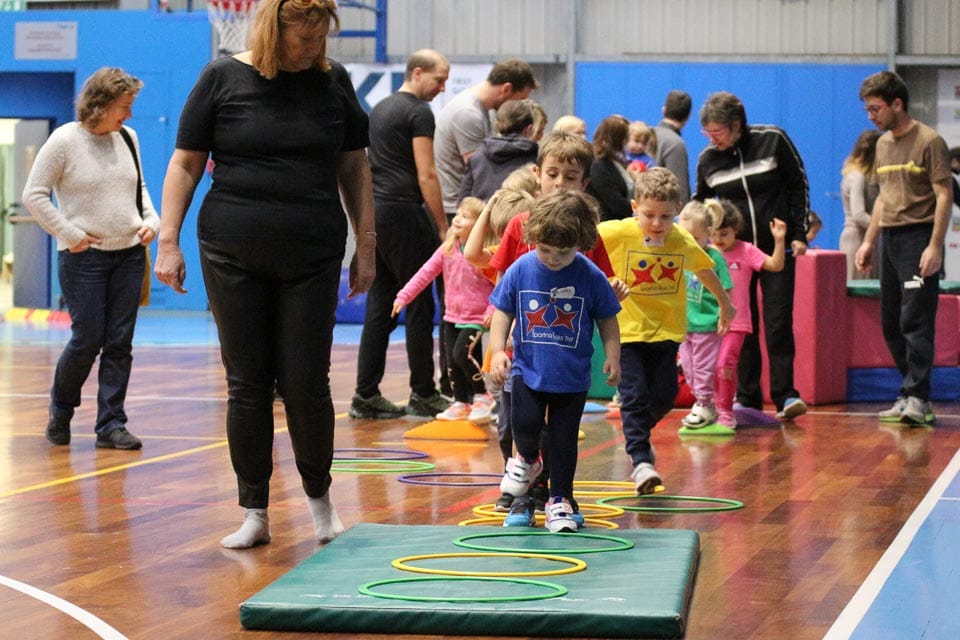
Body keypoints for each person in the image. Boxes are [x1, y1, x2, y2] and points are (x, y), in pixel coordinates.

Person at [154, 0, 375, 548]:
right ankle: (254, 510)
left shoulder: (334, 82)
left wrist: (366, 244)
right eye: (304, 40)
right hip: (232, 250)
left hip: (313, 253)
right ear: (273, 32)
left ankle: (320, 501)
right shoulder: (221, 78)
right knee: (247, 384)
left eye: (321, 38)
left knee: (306, 381)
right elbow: (185, 163)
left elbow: (354, 165)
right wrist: (167, 240)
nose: (313, 48)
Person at [22, 67, 157, 451]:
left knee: (120, 342)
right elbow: (34, 194)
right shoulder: (64, 140)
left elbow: (139, 187)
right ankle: (61, 411)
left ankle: (111, 424)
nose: (129, 114)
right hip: (84, 260)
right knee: (87, 339)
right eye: (124, 106)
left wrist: (151, 220)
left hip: (129, 255)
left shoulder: (128, 137)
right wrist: (69, 233)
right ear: (100, 105)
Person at [594, 168, 734, 494]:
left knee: (665, 396)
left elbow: (705, 269)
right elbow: (583, 246)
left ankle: (638, 435)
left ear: (677, 210)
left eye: (666, 216)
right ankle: (641, 460)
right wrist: (604, 282)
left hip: (667, 333)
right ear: (634, 208)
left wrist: (725, 304)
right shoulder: (616, 232)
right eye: (649, 215)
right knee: (633, 395)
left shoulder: (680, 238)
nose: (657, 224)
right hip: (627, 332)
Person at [489, 190, 621, 532]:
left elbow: (608, 319)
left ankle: (560, 499)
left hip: (571, 377)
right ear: (533, 238)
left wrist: (613, 356)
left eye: (563, 252)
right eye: (545, 249)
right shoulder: (522, 268)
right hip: (528, 370)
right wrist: (498, 351)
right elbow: (501, 311)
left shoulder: (590, 275)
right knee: (524, 424)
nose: (552, 258)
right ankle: (527, 459)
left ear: (582, 244)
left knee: (563, 442)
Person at [694, 91, 810, 420]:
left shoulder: (773, 140)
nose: (711, 139)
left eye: (717, 132)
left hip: (775, 249)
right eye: (706, 132)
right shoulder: (708, 159)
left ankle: (785, 395)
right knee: (741, 326)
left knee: (777, 322)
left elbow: (798, 185)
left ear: (736, 125)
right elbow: (701, 204)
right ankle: (747, 397)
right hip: (734, 257)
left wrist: (798, 233)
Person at [349, 49, 452, 420]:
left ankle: (365, 395)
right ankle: (423, 393)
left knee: (381, 305)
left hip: (376, 213)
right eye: (439, 79)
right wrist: (441, 225)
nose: (442, 87)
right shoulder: (419, 112)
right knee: (420, 303)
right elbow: (427, 173)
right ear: (418, 73)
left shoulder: (380, 109)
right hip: (405, 213)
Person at [855, 70, 952, 426]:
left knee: (916, 321)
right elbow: (883, 197)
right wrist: (869, 241)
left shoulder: (929, 141)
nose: (871, 116)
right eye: (867, 109)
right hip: (890, 240)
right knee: (891, 322)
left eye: (876, 108)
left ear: (897, 103)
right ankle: (909, 391)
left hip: (919, 237)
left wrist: (934, 246)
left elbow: (944, 195)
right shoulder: (882, 145)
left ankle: (919, 398)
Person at [392, 196, 495, 423]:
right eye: (457, 214)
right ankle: (460, 402)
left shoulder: (484, 254)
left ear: (481, 226)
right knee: (451, 361)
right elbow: (425, 273)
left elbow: (500, 285)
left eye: (465, 217)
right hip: (451, 316)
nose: (457, 219)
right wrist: (404, 295)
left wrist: (491, 310)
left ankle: (482, 395)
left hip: (476, 317)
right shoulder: (447, 249)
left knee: (462, 354)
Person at [707, 199, 786, 432]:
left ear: (736, 230)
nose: (719, 239)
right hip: (710, 322)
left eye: (724, 234)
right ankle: (714, 406)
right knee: (710, 368)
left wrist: (779, 240)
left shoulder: (746, 250)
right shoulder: (706, 253)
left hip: (736, 322)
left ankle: (725, 411)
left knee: (725, 364)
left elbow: (775, 265)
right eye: (713, 234)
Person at [434, 58, 537, 222]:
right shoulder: (468, 114)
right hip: (461, 210)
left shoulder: (484, 111)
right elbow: (481, 173)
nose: (518, 107)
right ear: (506, 89)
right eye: (519, 100)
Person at [676, 200, 732, 431]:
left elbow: (726, 288)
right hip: (684, 325)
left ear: (708, 234)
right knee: (688, 369)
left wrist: (724, 314)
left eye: (695, 238)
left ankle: (704, 403)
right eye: (685, 238)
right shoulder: (680, 256)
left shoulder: (714, 258)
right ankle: (703, 402)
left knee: (703, 368)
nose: (690, 243)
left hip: (707, 325)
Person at [458, 99, 539, 203]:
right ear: (529, 129)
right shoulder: (537, 156)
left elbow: (463, 201)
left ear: (497, 125)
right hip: (523, 212)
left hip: (483, 212)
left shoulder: (476, 156)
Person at [839, 130, 881, 279]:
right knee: (858, 285)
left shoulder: (863, 177)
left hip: (866, 237)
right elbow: (859, 215)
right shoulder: (857, 177)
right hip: (856, 238)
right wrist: (884, 225)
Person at [586, 115, 634, 221]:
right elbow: (614, 202)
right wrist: (640, 210)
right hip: (608, 224)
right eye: (626, 136)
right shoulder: (599, 166)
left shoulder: (616, 161)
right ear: (618, 139)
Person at [655, 90, 693, 203]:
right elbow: (680, 192)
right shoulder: (676, 144)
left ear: (663, 110)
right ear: (688, 117)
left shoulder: (644, 135)